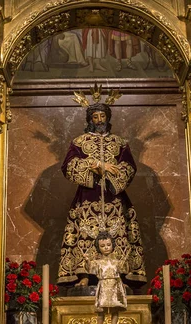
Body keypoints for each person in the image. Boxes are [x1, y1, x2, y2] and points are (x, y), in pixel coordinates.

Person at [58, 102, 146, 287]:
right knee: (85, 234)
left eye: (102, 116)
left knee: (120, 232)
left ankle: (120, 276)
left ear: (108, 118)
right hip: (87, 197)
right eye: (95, 117)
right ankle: (85, 275)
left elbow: (129, 166)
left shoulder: (120, 143)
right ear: (90, 119)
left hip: (114, 197)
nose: (99, 120)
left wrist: (112, 175)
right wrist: (98, 166)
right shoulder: (79, 142)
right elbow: (69, 165)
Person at [86, 232, 128, 324]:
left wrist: (125, 261)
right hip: (103, 286)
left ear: (112, 245)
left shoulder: (116, 262)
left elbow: (124, 270)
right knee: (101, 309)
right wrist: (87, 260)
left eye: (108, 245)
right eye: (103, 246)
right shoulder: (97, 262)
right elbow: (90, 269)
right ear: (98, 247)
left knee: (115, 308)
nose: (106, 248)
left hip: (115, 285)